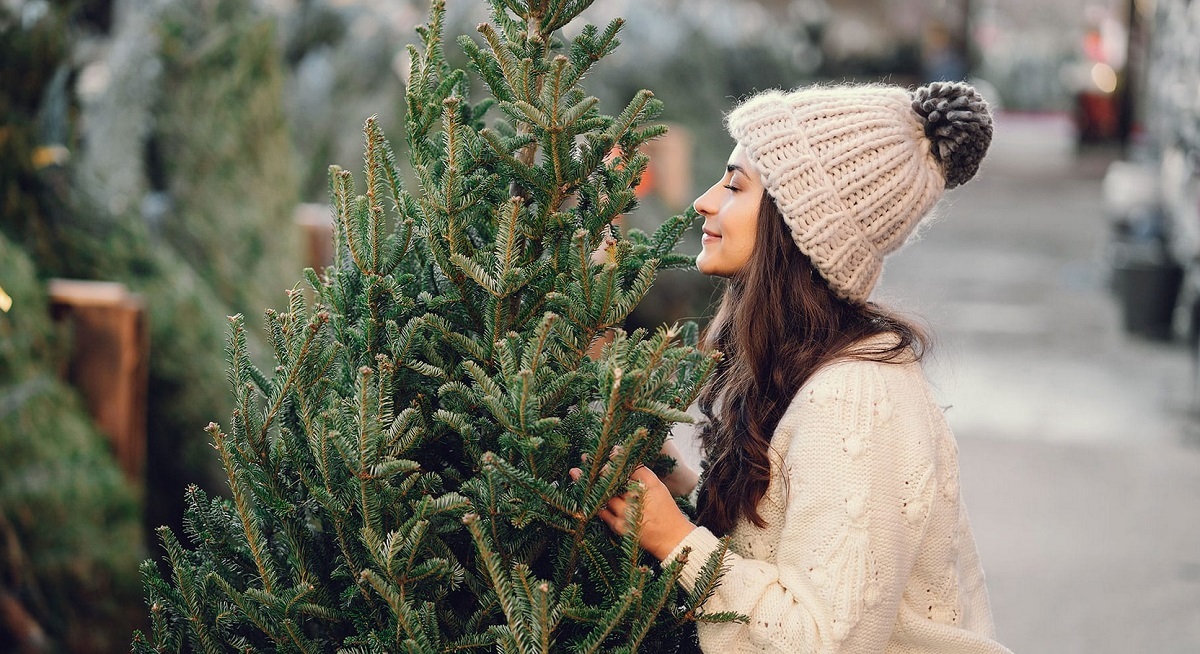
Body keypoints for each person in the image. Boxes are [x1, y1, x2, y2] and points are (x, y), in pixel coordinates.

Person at [571, 81, 1013, 652]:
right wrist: (674, 477)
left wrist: (675, 539)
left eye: (735, 185)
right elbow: (778, 533)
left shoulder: (855, 398)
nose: (706, 200)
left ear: (796, 224)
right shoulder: (797, 363)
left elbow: (823, 638)